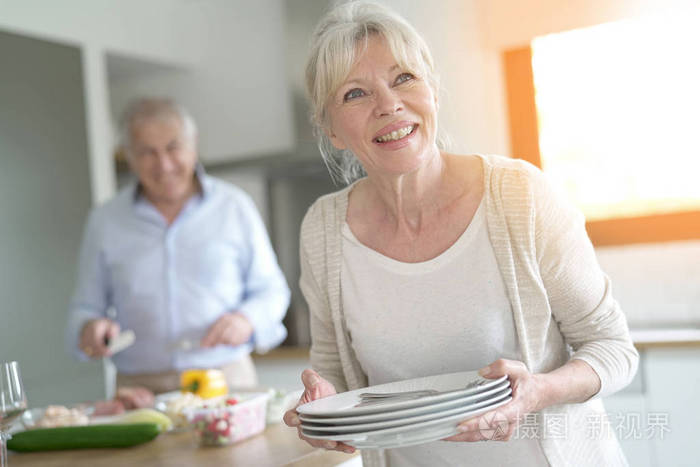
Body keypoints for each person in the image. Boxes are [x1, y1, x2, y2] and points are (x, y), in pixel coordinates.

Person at [283, 2, 639, 466]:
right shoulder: (322, 230)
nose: (388, 105)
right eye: (355, 94)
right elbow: (333, 372)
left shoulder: (519, 196)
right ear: (331, 130)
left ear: (432, 88)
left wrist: (539, 391)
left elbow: (613, 348)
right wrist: (322, 405)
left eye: (403, 78)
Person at [66, 98, 290, 405]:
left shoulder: (234, 207)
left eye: (173, 147)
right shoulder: (105, 221)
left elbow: (272, 290)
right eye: (147, 152)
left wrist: (246, 319)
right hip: (139, 391)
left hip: (226, 380)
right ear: (129, 157)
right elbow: (85, 306)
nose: (164, 164)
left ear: (193, 145)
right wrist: (90, 327)